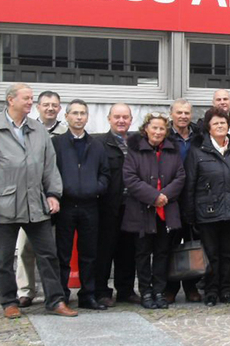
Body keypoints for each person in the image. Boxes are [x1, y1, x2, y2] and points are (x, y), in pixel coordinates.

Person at [0, 83, 76, 319]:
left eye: (32, 98)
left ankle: (55, 301)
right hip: (3, 207)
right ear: (11, 100)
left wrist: (53, 194)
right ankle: (9, 302)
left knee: (48, 255)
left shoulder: (38, 129)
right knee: (2, 260)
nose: (31, 102)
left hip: (36, 205)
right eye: (26, 98)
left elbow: (49, 165)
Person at [182, 107, 230, 306]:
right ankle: (211, 291)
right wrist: (190, 215)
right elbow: (190, 184)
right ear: (209, 127)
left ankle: (226, 291)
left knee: (228, 255)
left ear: (229, 125)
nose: (220, 126)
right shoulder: (197, 150)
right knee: (211, 255)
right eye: (215, 123)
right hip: (207, 212)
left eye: (223, 123)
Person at [122, 112, 186, 310]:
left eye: (161, 128)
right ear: (146, 129)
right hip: (143, 211)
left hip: (166, 212)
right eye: (154, 127)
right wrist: (153, 197)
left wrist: (164, 195)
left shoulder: (172, 151)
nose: (158, 132)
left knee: (162, 253)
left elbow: (180, 176)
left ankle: (159, 290)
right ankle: (146, 292)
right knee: (142, 254)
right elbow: (130, 178)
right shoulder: (135, 151)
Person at [52, 99, 110, 310]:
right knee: (63, 254)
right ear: (66, 116)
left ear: (87, 117)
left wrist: (96, 188)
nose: (78, 117)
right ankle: (62, 295)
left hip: (89, 206)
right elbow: (50, 172)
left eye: (82, 113)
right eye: (74, 113)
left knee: (89, 254)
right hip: (65, 205)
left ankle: (88, 295)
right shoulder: (56, 143)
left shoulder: (97, 145)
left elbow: (105, 173)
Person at [15, 90, 68, 308]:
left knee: (53, 249)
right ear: (38, 106)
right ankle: (25, 290)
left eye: (54, 105)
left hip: (58, 198)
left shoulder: (66, 133)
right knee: (26, 246)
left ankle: (54, 293)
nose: (50, 108)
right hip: (29, 199)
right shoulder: (26, 130)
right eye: (46, 104)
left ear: (59, 108)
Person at [95, 103, 139, 307]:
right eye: (117, 117)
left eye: (125, 117)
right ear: (109, 119)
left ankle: (126, 290)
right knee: (104, 251)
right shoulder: (100, 144)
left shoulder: (137, 143)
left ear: (131, 120)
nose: (121, 121)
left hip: (132, 205)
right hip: (108, 206)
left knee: (129, 251)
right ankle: (102, 291)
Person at [164, 98, 203, 304]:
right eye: (179, 112)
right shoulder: (165, 135)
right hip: (170, 195)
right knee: (169, 244)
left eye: (186, 112)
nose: (183, 116)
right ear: (171, 114)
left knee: (192, 243)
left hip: (193, 195)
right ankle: (170, 287)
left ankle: (191, 286)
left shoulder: (198, 136)